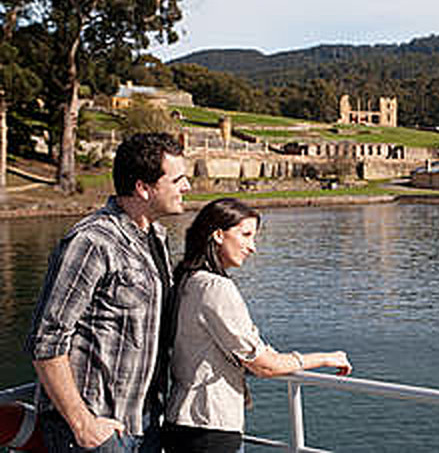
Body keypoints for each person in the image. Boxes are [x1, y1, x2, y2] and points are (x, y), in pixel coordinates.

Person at [25, 132, 191, 453]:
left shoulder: (156, 236)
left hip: (143, 421)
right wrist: (83, 424)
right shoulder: (92, 241)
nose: (187, 187)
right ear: (143, 188)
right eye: (177, 180)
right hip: (97, 429)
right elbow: (46, 340)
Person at [161, 198, 352, 453]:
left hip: (182, 422)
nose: (252, 248)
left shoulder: (188, 280)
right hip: (210, 427)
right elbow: (264, 365)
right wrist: (326, 358)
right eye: (246, 235)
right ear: (218, 235)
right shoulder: (216, 288)